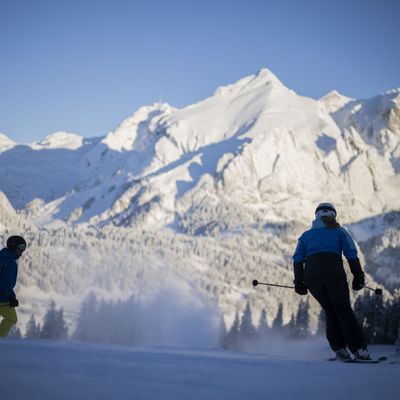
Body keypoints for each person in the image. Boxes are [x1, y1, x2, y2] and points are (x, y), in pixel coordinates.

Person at [292, 203, 370, 360]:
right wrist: (358, 277)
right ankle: (359, 350)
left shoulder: (306, 235)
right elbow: (351, 254)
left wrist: (299, 282)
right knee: (343, 310)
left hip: (312, 277)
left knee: (331, 311)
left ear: (316, 216)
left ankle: (339, 349)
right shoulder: (339, 232)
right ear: (334, 215)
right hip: (334, 274)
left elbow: (298, 259)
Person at [0, 235, 27, 337]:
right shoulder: (10, 262)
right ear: (13, 246)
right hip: (2, 296)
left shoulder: (2, 255)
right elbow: (6, 283)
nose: (22, 251)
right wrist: (11, 297)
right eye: (20, 248)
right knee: (11, 318)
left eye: (23, 248)